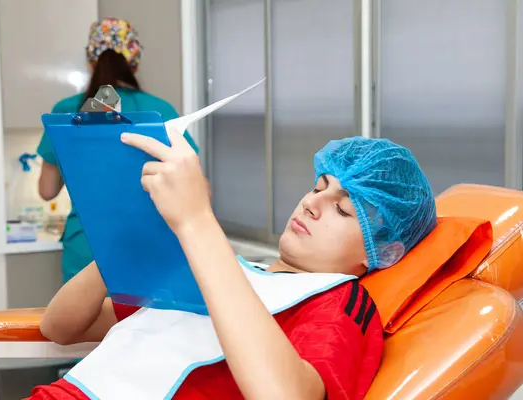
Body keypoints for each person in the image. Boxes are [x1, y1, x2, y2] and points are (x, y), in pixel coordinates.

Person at [27, 136, 437, 399]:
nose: (312, 204)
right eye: (317, 188)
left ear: (381, 251)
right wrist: (127, 238)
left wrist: (196, 223)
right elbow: (61, 328)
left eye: (343, 210)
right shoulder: (230, 271)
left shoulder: (339, 303)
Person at [37, 17, 198, 284]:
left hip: (86, 246)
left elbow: (47, 190)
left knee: (85, 325)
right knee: (139, 324)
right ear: (133, 62)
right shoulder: (159, 111)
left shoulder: (66, 110)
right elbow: (191, 183)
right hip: (146, 244)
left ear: (91, 61)